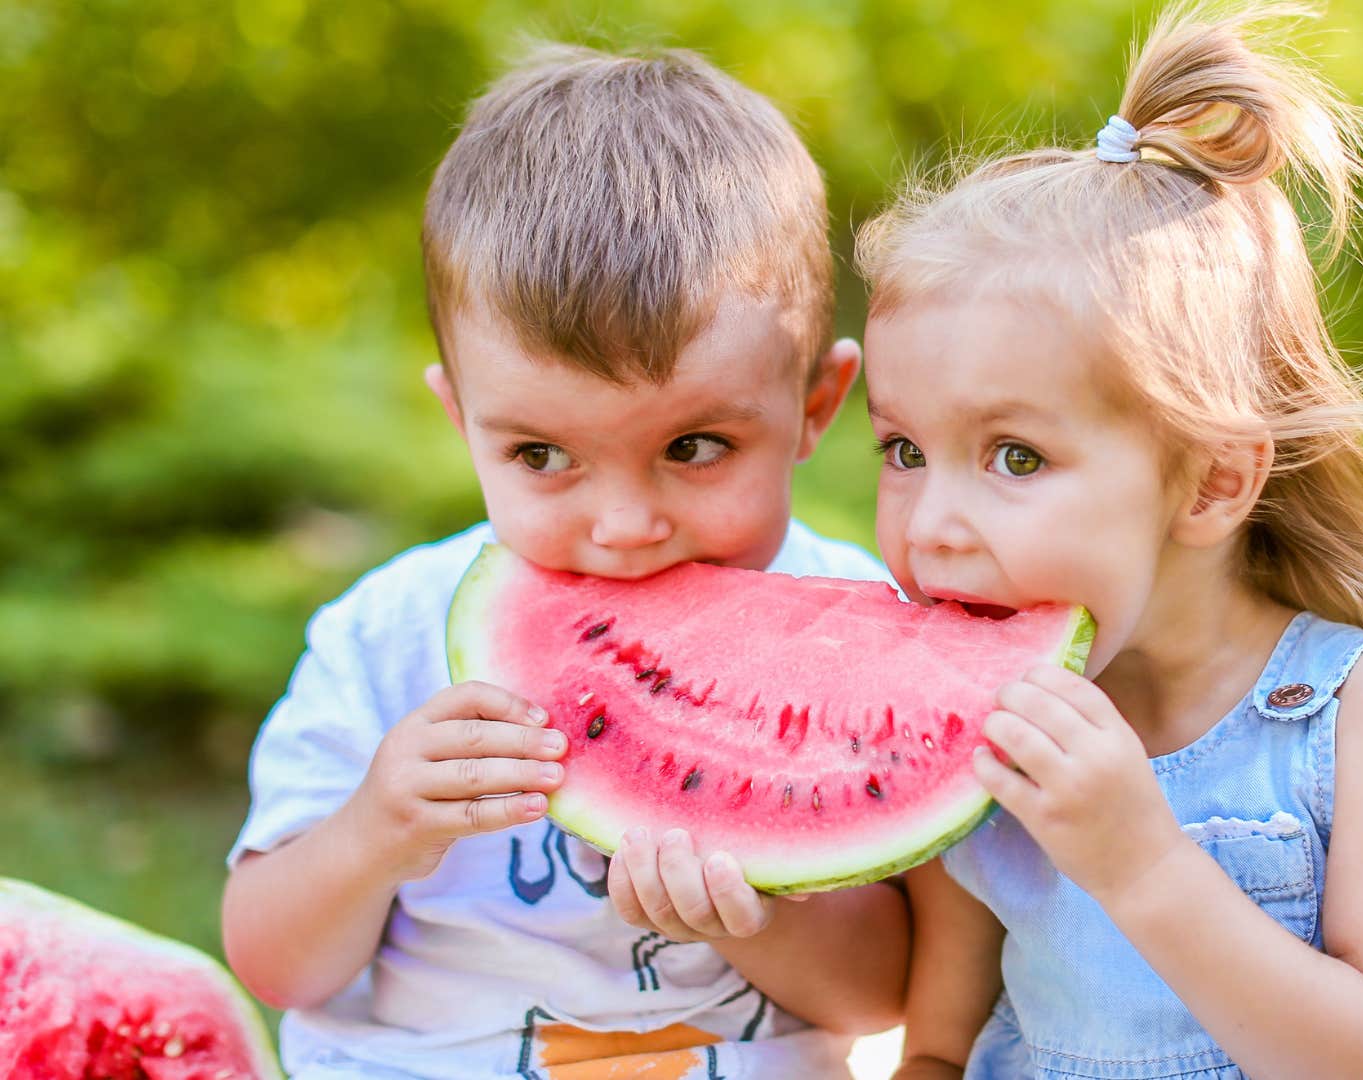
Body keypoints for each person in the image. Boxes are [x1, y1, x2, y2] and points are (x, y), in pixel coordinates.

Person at [856, 3, 1363, 1076]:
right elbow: (940, 1049)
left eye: (1016, 458)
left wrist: (1140, 865)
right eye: (903, 451)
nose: (934, 526)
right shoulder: (982, 728)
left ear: (1214, 482)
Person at [221, 43, 906, 1080]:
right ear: (463, 420)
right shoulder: (390, 633)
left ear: (815, 407)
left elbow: (886, 994)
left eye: (694, 447)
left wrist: (757, 918)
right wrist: (375, 831)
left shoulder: (864, 636)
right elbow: (274, 963)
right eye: (541, 456)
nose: (624, 524)